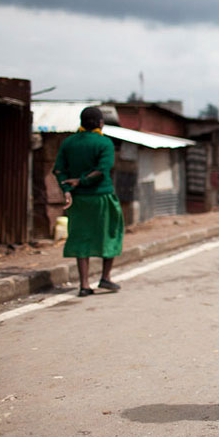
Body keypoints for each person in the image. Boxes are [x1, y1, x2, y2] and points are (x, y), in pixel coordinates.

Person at [53, 107, 124, 296]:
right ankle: (105, 277)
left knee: (81, 237)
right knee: (110, 233)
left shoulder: (69, 143)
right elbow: (102, 170)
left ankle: (84, 285)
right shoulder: (104, 143)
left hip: (79, 199)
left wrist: (67, 188)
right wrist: (83, 180)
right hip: (102, 196)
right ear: (101, 123)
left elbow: (59, 170)